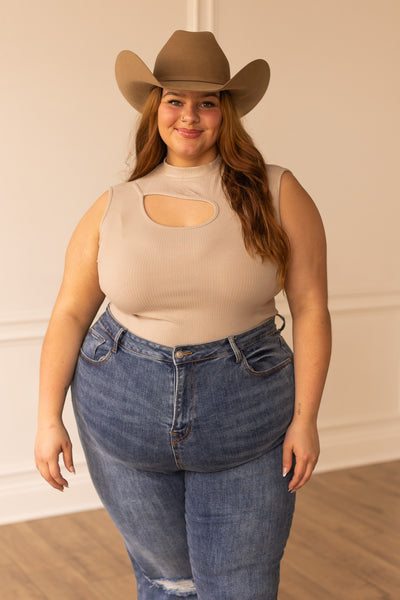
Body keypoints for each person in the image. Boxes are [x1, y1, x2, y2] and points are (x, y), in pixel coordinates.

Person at [34, 30, 331, 600]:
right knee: (169, 584)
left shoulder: (278, 192)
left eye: (206, 102)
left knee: (241, 587)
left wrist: (306, 417)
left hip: (246, 416)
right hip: (120, 411)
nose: (189, 116)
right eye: (175, 100)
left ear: (227, 112)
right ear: (156, 110)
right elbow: (71, 312)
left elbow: (311, 307)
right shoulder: (113, 205)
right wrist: (49, 419)